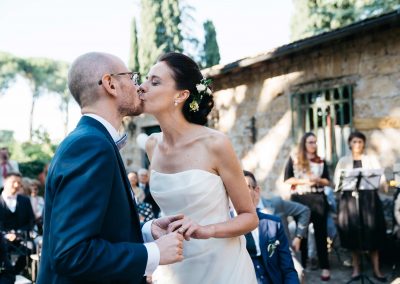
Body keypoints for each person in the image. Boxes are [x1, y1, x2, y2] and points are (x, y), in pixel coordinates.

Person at [37, 52, 185, 284]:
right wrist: (153, 252)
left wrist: (146, 232)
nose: (139, 87)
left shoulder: (90, 141)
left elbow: (100, 230)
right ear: (111, 84)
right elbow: (71, 254)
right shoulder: (91, 145)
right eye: (132, 77)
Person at [139, 52, 258, 284]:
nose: (142, 87)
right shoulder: (152, 145)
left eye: (155, 82)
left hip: (223, 269)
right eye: (145, 79)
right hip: (174, 268)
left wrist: (207, 230)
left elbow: (249, 217)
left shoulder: (215, 144)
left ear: (181, 95)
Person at [334, 131, 387, 282]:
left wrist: (384, 184)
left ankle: (376, 270)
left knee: (373, 232)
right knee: (353, 234)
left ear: (364, 144)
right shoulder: (343, 160)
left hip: (369, 201)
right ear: (350, 144)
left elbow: (380, 179)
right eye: (354, 141)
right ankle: (356, 269)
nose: (357, 144)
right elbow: (337, 182)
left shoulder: (371, 159)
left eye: (360, 141)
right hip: (350, 201)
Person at [284, 132, 331, 281]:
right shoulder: (294, 158)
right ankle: (302, 266)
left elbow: (327, 181)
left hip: (317, 198)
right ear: (304, 143)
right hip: (300, 199)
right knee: (301, 234)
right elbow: (287, 179)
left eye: (315, 142)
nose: (313, 145)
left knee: (321, 234)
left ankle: (325, 267)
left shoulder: (321, 160)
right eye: (310, 142)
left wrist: (318, 180)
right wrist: (305, 181)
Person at [243, 170, 300, 284]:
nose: (241, 192)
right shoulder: (225, 227)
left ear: (256, 191)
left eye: (246, 187)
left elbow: (288, 269)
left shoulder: (274, 224)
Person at [0, 172, 35, 275]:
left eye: (19, 183)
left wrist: (18, 233)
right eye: (13, 182)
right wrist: (5, 235)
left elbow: (31, 221)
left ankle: (14, 274)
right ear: (5, 182)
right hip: (2, 238)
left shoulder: (25, 200)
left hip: (21, 238)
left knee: (30, 247)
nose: (16, 185)